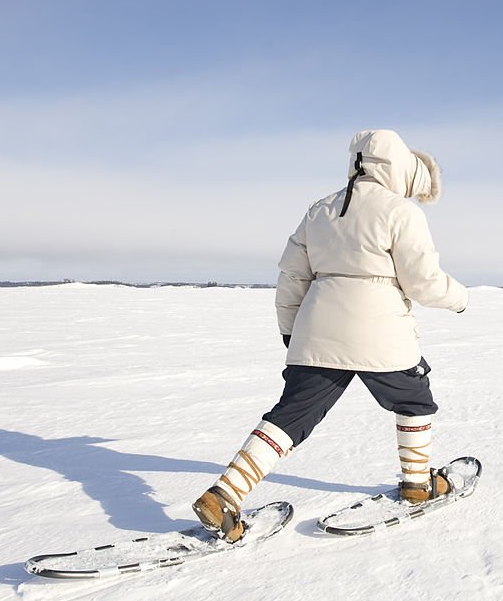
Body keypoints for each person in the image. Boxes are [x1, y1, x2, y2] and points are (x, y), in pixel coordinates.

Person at [193, 129, 468, 542]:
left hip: (317, 329)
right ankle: (417, 485)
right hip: (380, 333)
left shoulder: (318, 210)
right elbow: (422, 280)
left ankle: (224, 494)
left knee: (290, 416)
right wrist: (459, 298)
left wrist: (292, 333)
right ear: (399, 168)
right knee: (414, 399)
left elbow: (291, 277)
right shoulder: (401, 212)